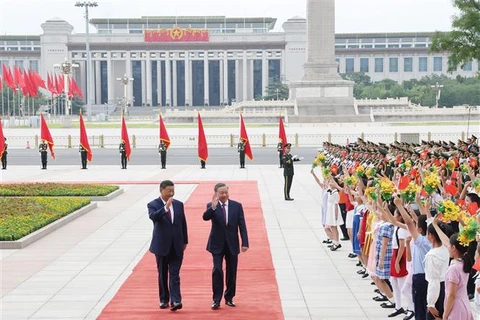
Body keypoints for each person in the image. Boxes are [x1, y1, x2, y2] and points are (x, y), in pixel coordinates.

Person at [202, 182, 249, 310]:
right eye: (221, 193)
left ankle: (229, 297)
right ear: (216, 194)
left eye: (226, 192)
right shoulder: (212, 206)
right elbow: (205, 218)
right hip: (216, 244)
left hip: (232, 244)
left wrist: (245, 242)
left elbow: (242, 225)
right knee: (217, 270)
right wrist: (213, 206)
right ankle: (216, 299)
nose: (224, 195)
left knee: (231, 271)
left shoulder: (237, 206)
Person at [147, 180, 188, 312]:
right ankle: (164, 299)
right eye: (169, 190)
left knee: (175, 273)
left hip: (177, 245)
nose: (172, 193)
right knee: (163, 273)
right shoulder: (153, 204)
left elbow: (183, 224)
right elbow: (153, 217)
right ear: (161, 190)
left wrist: (185, 241)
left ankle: (176, 300)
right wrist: (165, 208)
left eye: (173, 190)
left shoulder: (179, 204)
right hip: (161, 246)